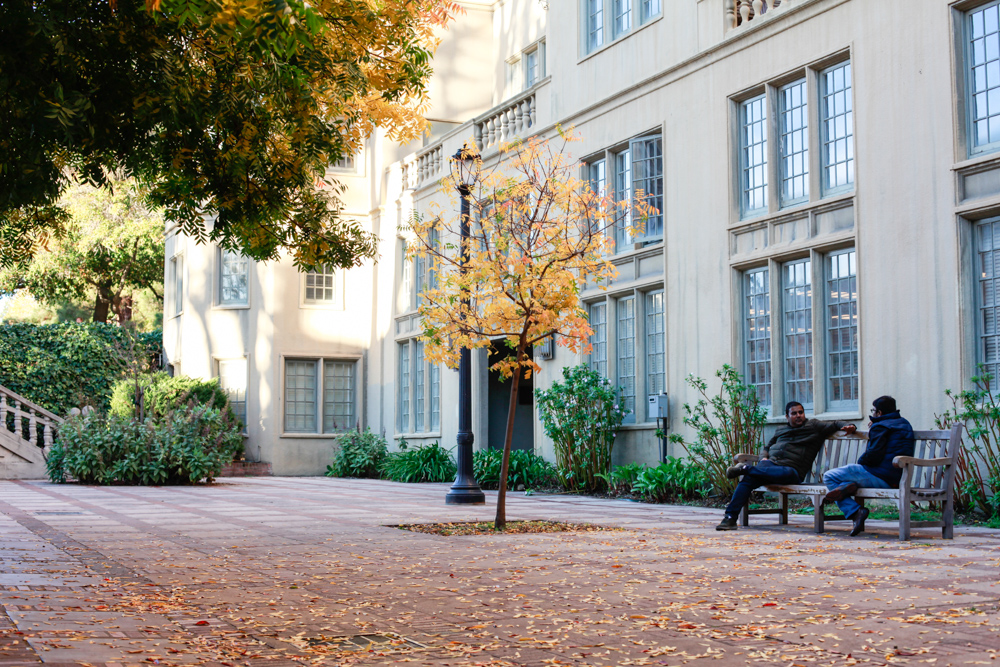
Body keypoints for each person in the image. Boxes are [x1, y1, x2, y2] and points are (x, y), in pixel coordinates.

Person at [716, 401, 857, 531]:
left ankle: (745, 469)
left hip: (791, 470)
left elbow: (836, 423)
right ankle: (730, 518)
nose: (798, 416)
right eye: (794, 413)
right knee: (748, 480)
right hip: (769, 465)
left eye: (801, 412)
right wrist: (763, 456)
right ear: (787, 416)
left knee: (751, 476)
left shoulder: (814, 426)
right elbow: (768, 446)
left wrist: (850, 426)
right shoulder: (780, 430)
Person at [822, 395, 915, 537]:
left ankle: (855, 511)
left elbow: (873, 455)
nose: (873, 413)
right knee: (846, 478)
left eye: (874, 410)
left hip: (879, 476)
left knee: (829, 476)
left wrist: (860, 462)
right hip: (898, 477)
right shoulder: (904, 423)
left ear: (880, 413)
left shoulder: (881, 426)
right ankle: (849, 485)